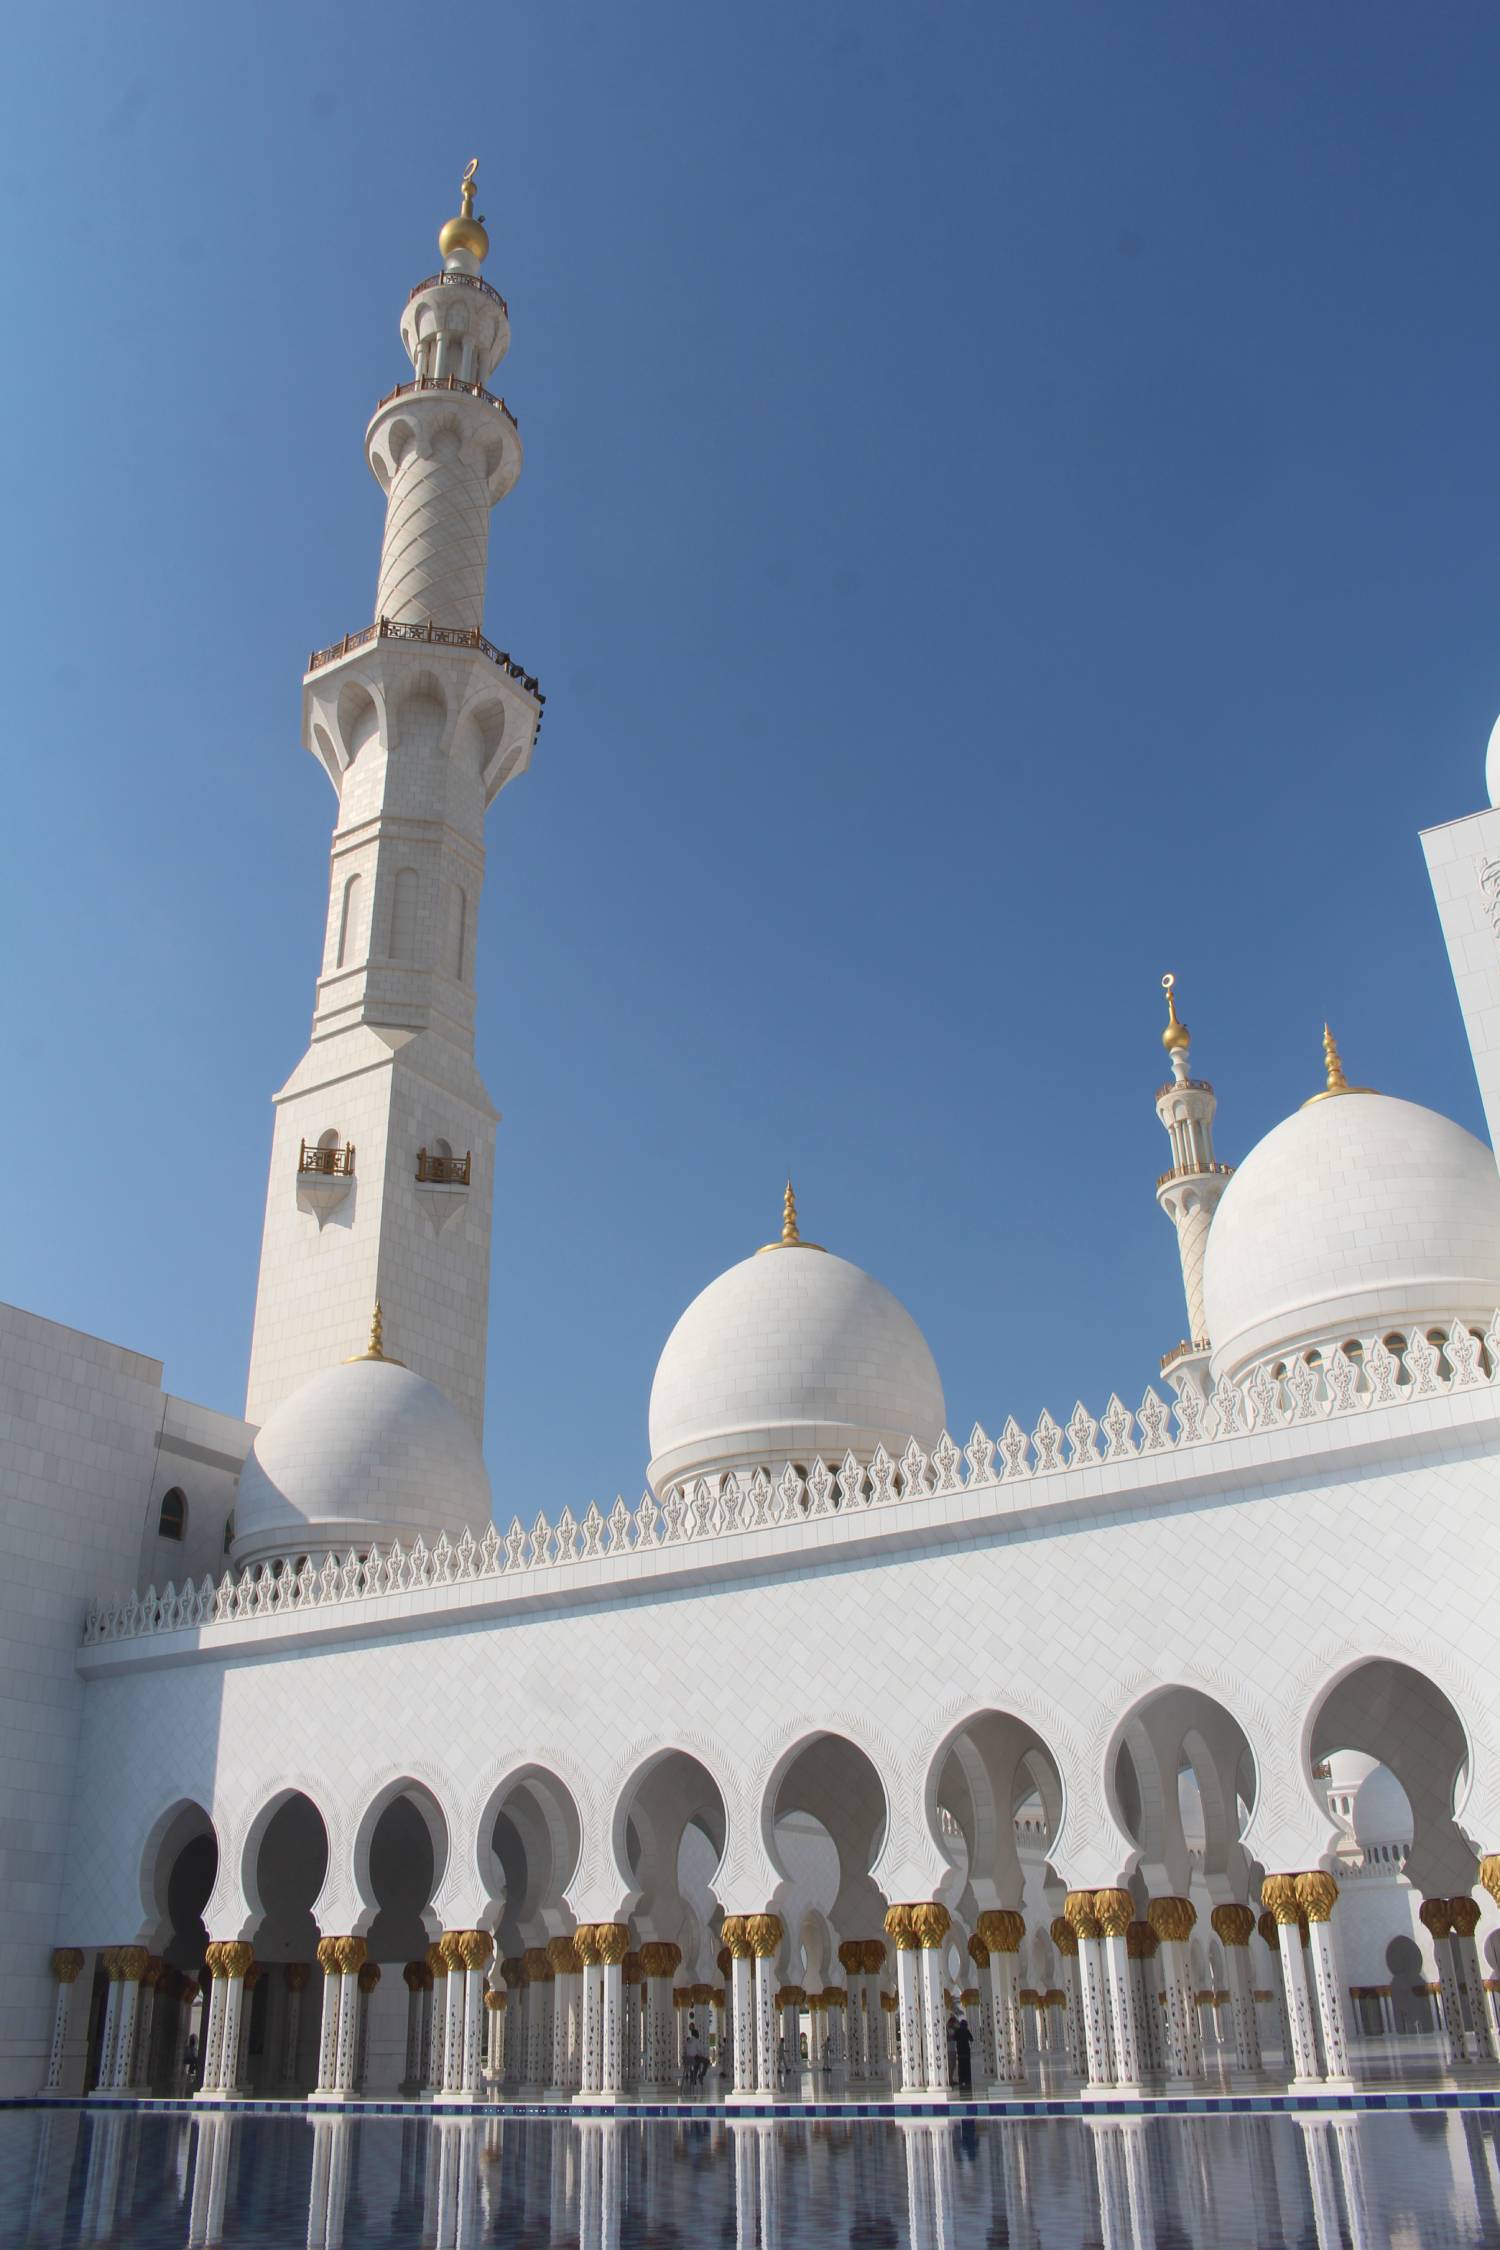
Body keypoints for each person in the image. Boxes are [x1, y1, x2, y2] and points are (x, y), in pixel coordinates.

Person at [953, 2010, 974, 2094]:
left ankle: (962, 2081)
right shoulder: (966, 2031)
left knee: (961, 2067)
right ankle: (968, 2080)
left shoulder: (957, 2031)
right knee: (967, 2067)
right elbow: (971, 2039)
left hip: (960, 2052)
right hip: (966, 2052)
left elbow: (954, 2038)